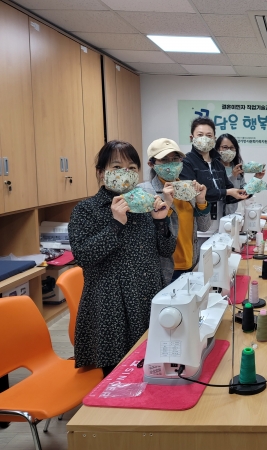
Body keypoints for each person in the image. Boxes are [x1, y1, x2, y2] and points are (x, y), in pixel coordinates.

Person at [69, 141, 177, 377]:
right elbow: (84, 256)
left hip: (147, 295)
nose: (125, 173)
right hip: (111, 304)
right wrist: (116, 224)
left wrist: (161, 220)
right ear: (101, 172)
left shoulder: (144, 204)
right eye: (117, 167)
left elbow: (166, 249)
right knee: (119, 377)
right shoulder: (86, 210)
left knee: (152, 367)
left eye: (131, 168)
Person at [138, 138, 211, 283]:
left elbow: (204, 227)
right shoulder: (144, 192)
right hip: (165, 270)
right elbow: (145, 237)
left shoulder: (187, 189)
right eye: (164, 160)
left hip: (191, 263)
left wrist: (201, 201)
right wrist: (167, 203)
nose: (171, 164)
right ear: (151, 164)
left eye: (175, 159)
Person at [180, 117, 248, 242]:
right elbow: (197, 193)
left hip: (220, 228)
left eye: (209, 135)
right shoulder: (186, 162)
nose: (205, 138)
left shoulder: (218, 164)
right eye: (200, 135)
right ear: (191, 138)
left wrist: (245, 192)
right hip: (197, 230)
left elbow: (228, 193)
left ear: (214, 139)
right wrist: (228, 192)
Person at [215, 133, 266, 215]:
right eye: (225, 147)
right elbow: (219, 193)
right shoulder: (213, 167)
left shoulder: (237, 168)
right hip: (215, 215)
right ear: (217, 148)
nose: (229, 150)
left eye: (232, 148)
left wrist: (256, 179)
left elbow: (244, 193)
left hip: (231, 214)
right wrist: (232, 177)